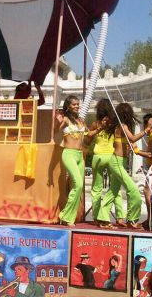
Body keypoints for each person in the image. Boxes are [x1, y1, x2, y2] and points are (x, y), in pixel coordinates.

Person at [96, 102, 152, 229]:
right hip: (116, 161)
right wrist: (146, 130)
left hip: (120, 161)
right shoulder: (122, 126)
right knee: (133, 191)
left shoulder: (121, 126)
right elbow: (132, 139)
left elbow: (132, 145)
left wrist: (142, 152)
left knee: (113, 192)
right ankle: (132, 219)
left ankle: (102, 218)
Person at [54, 95, 94, 227]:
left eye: (78, 104)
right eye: (74, 104)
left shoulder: (81, 121)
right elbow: (55, 131)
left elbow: (88, 138)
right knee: (78, 184)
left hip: (80, 155)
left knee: (79, 186)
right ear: (68, 106)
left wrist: (98, 130)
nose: (77, 106)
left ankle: (68, 217)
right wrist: (56, 121)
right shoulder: (65, 119)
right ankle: (65, 215)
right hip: (69, 154)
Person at [86, 98, 117, 228]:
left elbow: (87, 141)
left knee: (96, 188)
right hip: (111, 156)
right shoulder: (114, 124)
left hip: (97, 156)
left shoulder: (95, 124)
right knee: (114, 187)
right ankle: (107, 216)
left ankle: (96, 217)